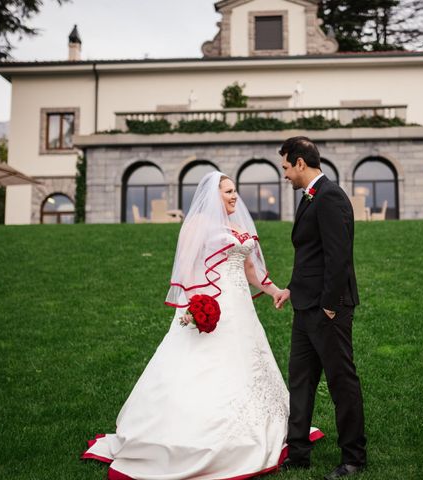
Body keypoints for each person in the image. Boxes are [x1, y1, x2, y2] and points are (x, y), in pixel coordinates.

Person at [82, 172, 319, 480]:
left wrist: (275, 291)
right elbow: (187, 266)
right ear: (212, 196)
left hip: (240, 308)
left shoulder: (237, 227)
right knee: (200, 365)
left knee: (247, 362)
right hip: (212, 305)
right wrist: (197, 305)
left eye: (235, 191)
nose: (235, 197)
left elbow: (249, 267)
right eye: (228, 192)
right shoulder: (197, 226)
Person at [274, 136, 367, 479]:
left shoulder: (330, 197)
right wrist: (291, 289)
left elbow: (338, 257)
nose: (283, 173)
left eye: (285, 166)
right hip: (304, 306)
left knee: (341, 382)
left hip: (329, 309)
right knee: (300, 382)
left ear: (300, 163)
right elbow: (310, 256)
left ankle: (354, 458)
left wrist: (329, 305)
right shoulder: (308, 198)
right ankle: (298, 453)